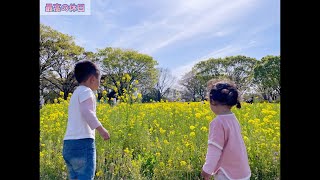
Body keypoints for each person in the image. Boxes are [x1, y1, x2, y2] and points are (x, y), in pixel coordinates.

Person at [62, 60, 110, 180]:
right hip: (82, 144)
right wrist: (101, 129)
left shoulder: (76, 93)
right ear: (92, 79)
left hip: (68, 145)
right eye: (99, 80)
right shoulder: (87, 91)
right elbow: (87, 112)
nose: (99, 84)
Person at [201, 80, 251, 180]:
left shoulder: (218, 122)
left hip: (227, 173)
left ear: (213, 101)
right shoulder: (233, 118)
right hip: (242, 172)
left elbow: (215, 149)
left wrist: (207, 170)